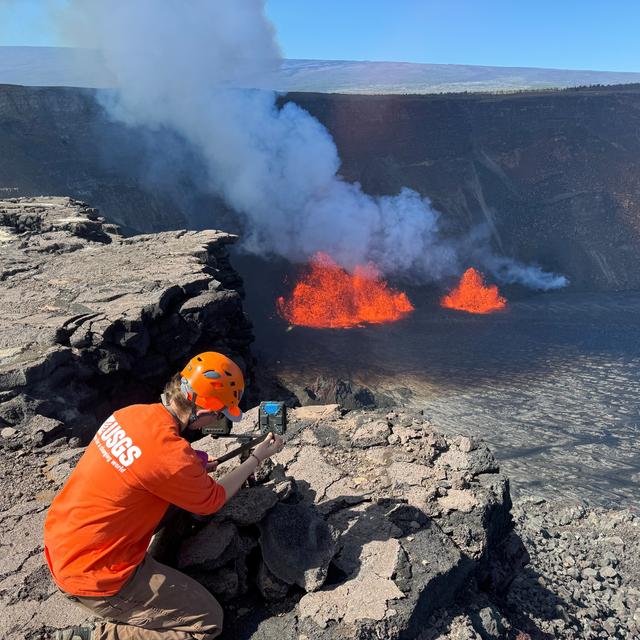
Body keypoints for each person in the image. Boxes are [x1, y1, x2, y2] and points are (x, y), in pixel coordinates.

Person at [44, 352, 284, 640]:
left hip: (63, 545)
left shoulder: (129, 414)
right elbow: (214, 499)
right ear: (203, 410)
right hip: (97, 576)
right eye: (220, 413)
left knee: (175, 504)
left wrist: (191, 465)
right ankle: (101, 635)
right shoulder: (172, 458)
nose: (218, 419)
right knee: (208, 622)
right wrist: (256, 458)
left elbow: (146, 461)